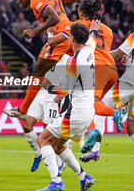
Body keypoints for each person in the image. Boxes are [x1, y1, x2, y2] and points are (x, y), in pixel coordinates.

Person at [83, 10, 134, 189]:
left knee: (99, 108)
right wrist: (131, 63)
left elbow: (117, 54)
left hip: (128, 84)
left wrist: (94, 58)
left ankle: (95, 150)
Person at [3, 0, 85, 120]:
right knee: (76, 71)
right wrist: (86, 18)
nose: (18, 2)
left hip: (59, 38)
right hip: (70, 33)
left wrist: (35, 31)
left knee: (38, 71)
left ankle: (23, 110)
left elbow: (54, 18)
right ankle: (73, 96)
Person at [36, 21, 99, 191]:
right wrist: (93, 29)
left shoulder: (75, 60)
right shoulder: (89, 51)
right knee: (57, 146)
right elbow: (93, 38)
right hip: (88, 111)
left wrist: (48, 86)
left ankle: (56, 182)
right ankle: (83, 177)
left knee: (42, 139)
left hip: (76, 112)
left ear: (71, 38)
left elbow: (65, 90)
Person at [69, 0, 126, 159]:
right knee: (92, 103)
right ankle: (93, 139)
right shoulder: (108, 30)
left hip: (97, 69)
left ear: (81, 12)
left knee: (89, 103)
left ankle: (115, 113)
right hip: (111, 70)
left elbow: (72, 45)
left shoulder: (78, 26)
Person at [23, 53, 69, 173]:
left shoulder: (68, 56)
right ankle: (38, 154)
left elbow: (73, 78)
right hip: (40, 93)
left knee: (47, 134)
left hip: (52, 96)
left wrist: (63, 91)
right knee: (27, 125)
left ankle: (59, 164)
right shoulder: (47, 52)